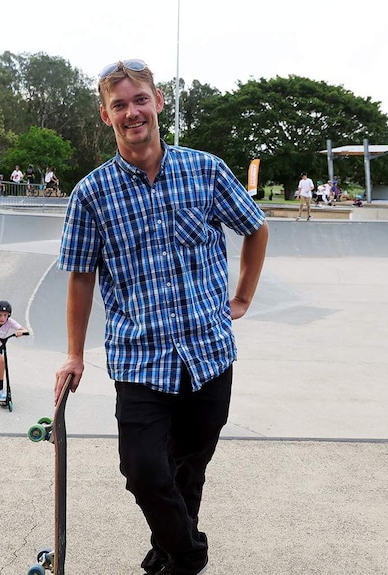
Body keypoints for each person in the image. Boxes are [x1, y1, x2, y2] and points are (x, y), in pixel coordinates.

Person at [55, 59, 268, 575]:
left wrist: (242, 299)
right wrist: (75, 355)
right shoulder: (92, 194)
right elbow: (81, 277)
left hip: (209, 352)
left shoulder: (205, 170)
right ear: (106, 116)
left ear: (159, 101)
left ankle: (168, 555)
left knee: (189, 468)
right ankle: (190, 554)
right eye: (120, 105)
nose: (133, 113)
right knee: (144, 469)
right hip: (140, 358)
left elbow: (256, 228)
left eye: (140, 100)